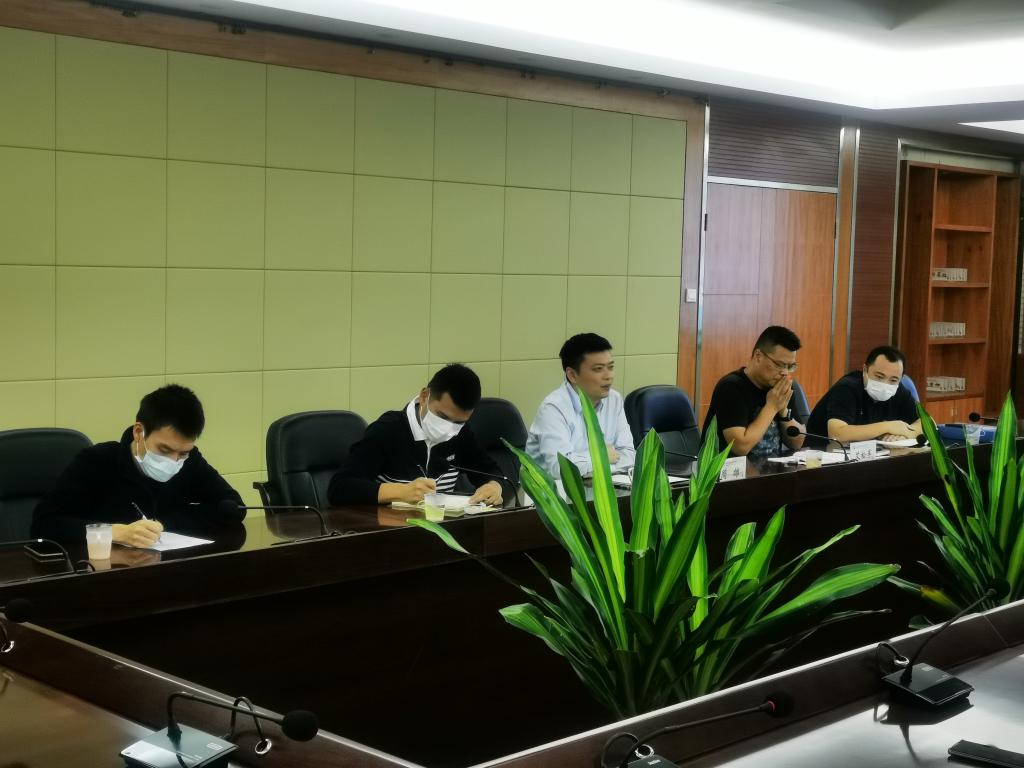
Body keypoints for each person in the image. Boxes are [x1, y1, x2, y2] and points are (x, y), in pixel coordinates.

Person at [32, 384, 244, 547]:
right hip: (103, 575)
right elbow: (44, 523)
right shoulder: (97, 461)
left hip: (167, 570)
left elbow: (233, 507)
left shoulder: (190, 461)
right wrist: (115, 532)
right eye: (164, 450)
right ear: (138, 432)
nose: (174, 461)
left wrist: (163, 524)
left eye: (183, 452)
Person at [328, 364, 507, 506]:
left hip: (443, 531)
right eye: (442, 417)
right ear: (424, 396)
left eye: (459, 422)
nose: (448, 429)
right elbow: (339, 488)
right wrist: (400, 492)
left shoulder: (460, 433)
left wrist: (494, 486)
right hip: (390, 532)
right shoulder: (388, 430)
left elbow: (491, 471)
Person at [526, 333, 635, 477]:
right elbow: (561, 468)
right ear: (572, 375)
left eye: (610, 367)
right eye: (598, 369)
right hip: (556, 490)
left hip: (605, 486)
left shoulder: (614, 400)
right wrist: (601, 456)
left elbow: (629, 455)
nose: (608, 376)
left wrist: (589, 462)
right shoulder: (553, 408)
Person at [702, 326, 806, 457]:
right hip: (732, 469)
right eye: (779, 364)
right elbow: (740, 447)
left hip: (773, 468)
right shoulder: (731, 387)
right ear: (758, 356)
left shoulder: (781, 387)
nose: (785, 372)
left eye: (790, 366)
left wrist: (783, 412)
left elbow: (798, 443)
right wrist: (772, 407)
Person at [806, 345, 921, 443]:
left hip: (872, 455)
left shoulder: (898, 390)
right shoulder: (847, 388)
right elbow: (837, 434)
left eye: (893, 380)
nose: (886, 384)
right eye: (879, 377)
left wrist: (906, 434)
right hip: (822, 454)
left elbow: (925, 423)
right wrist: (888, 426)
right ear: (865, 370)